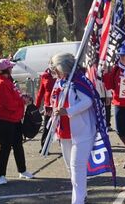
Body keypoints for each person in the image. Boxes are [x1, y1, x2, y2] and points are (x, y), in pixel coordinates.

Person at [50, 53, 97, 204]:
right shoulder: (60, 82)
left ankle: (78, 201)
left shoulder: (79, 81)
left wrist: (68, 111)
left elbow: (88, 101)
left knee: (77, 167)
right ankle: (81, 195)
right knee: (71, 168)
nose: (54, 71)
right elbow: (54, 99)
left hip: (81, 131)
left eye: (56, 67)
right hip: (64, 131)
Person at [0, 59, 34, 185]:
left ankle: (22, 170)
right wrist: (22, 101)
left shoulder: (7, 81)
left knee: (18, 145)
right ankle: (0, 175)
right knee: (6, 147)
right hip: (2, 119)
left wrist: (22, 98)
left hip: (12, 118)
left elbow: (14, 98)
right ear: (6, 69)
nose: (12, 69)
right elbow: (7, 104)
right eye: (10, 67)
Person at [35, 67, 55, 150]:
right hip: (48, 106)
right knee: (47, 127)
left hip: (59, 105)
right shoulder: (45, 76)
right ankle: (44, 147)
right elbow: (41, 92)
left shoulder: (61, 74)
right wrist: (36, 106)